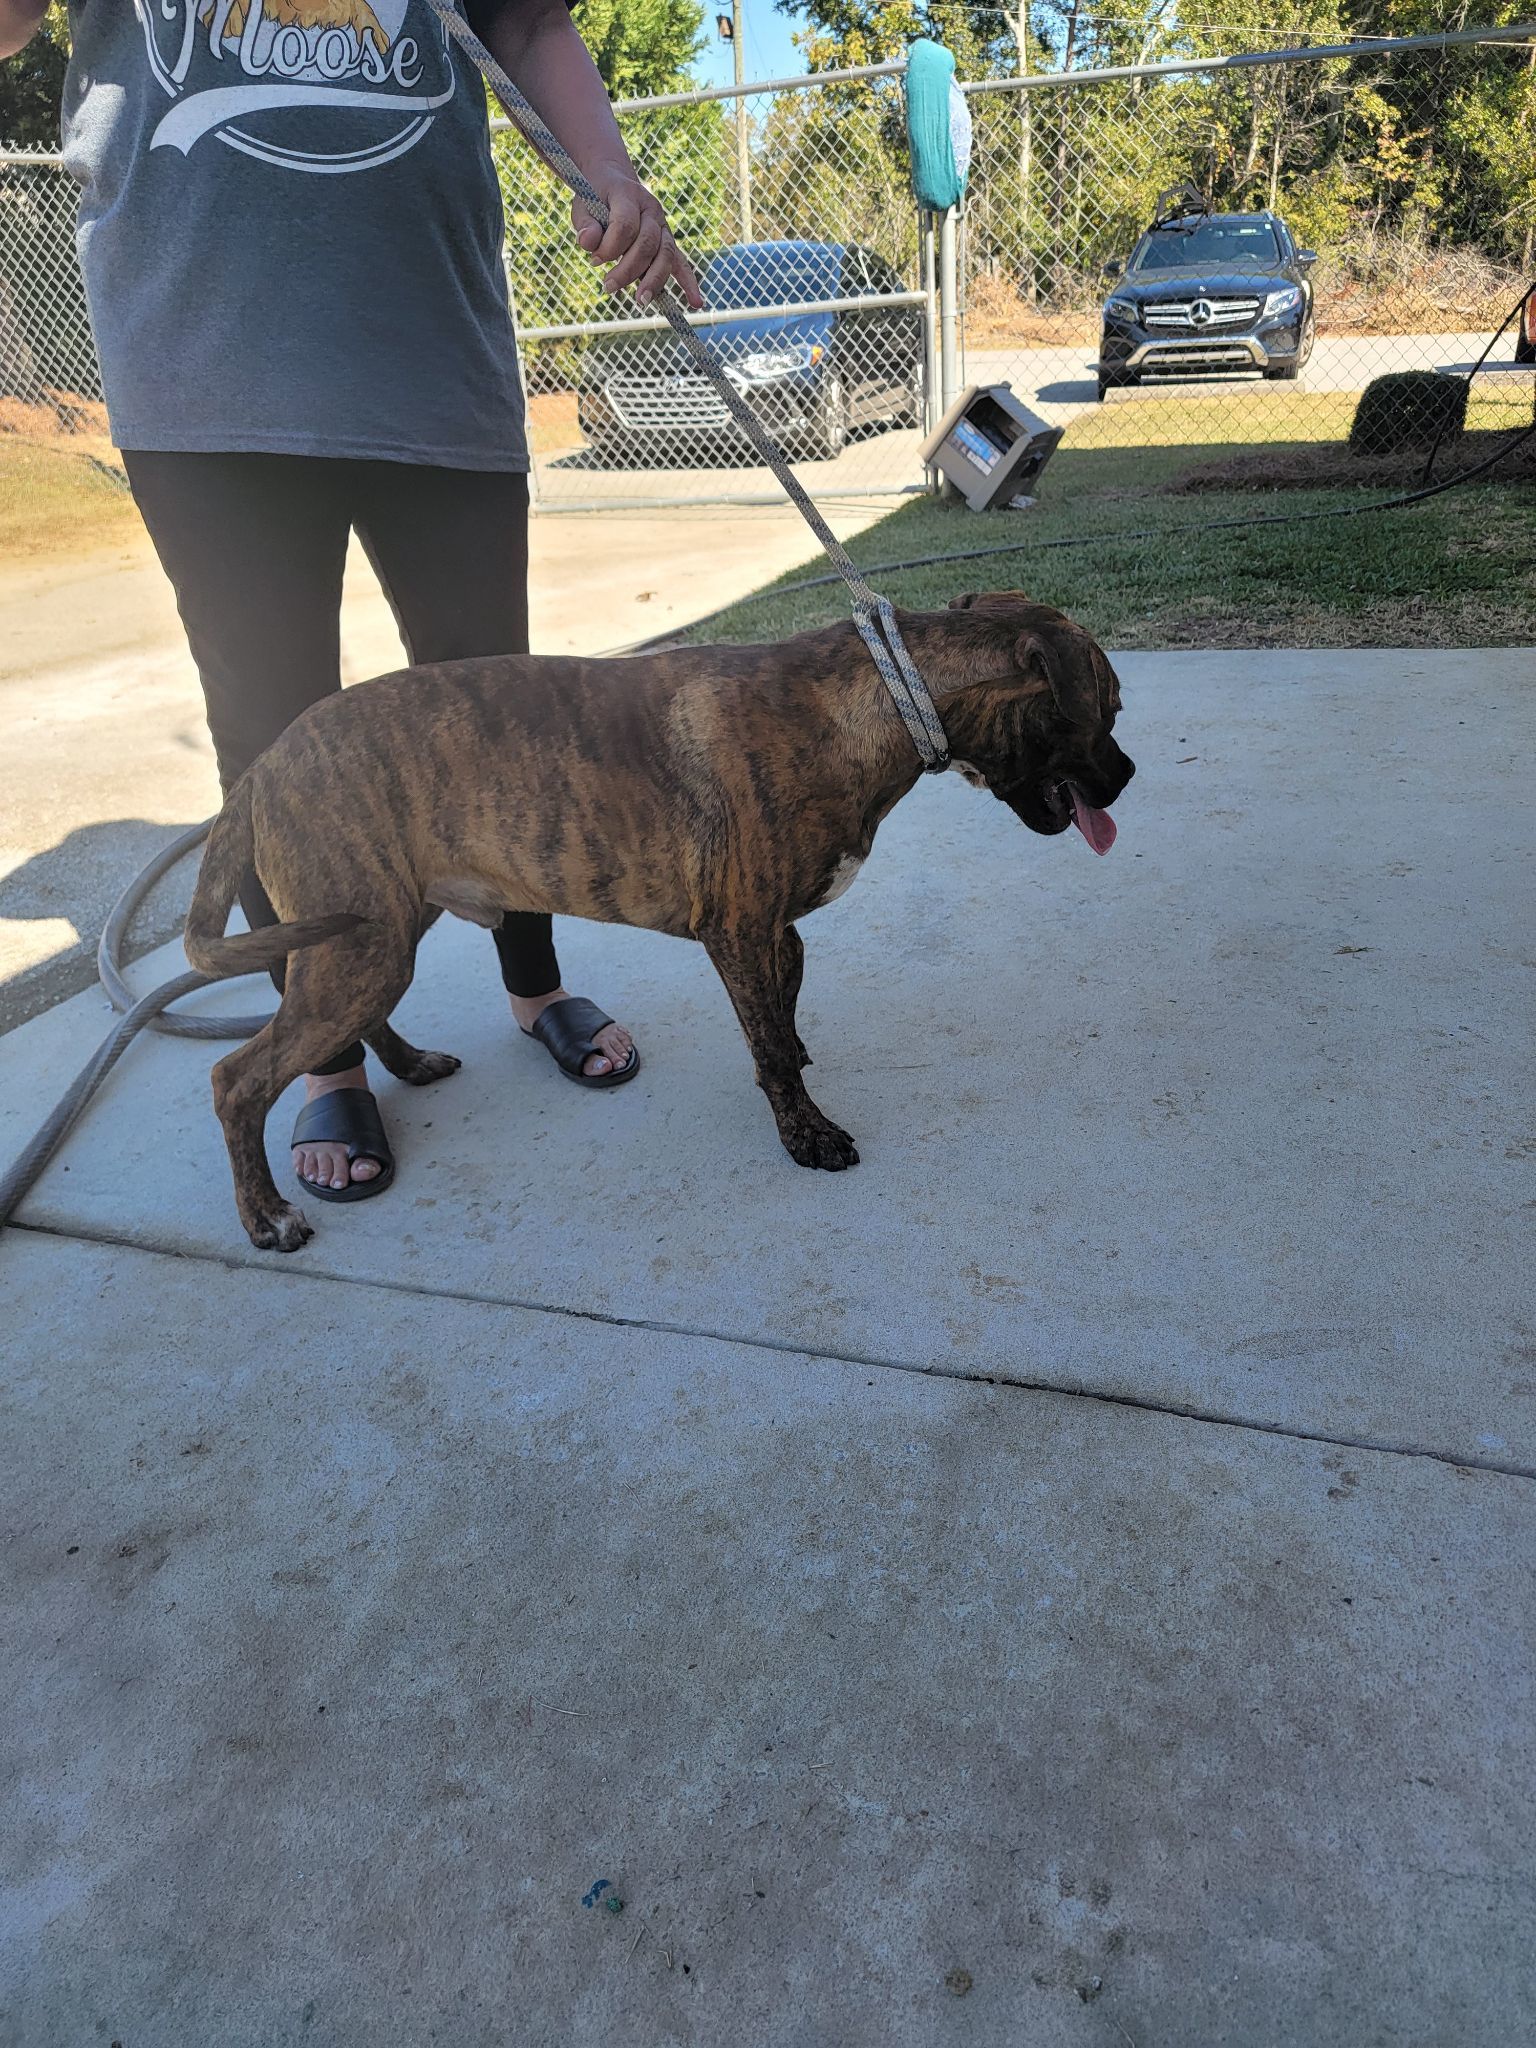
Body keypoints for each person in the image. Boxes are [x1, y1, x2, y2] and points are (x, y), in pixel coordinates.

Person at [0, 0, 701, 1202]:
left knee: (502, 714)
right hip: (201, 366)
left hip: (429, 352)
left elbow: (528, 24)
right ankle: (324, 1049)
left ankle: (530, 977)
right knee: (276, 743)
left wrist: (613, 174)